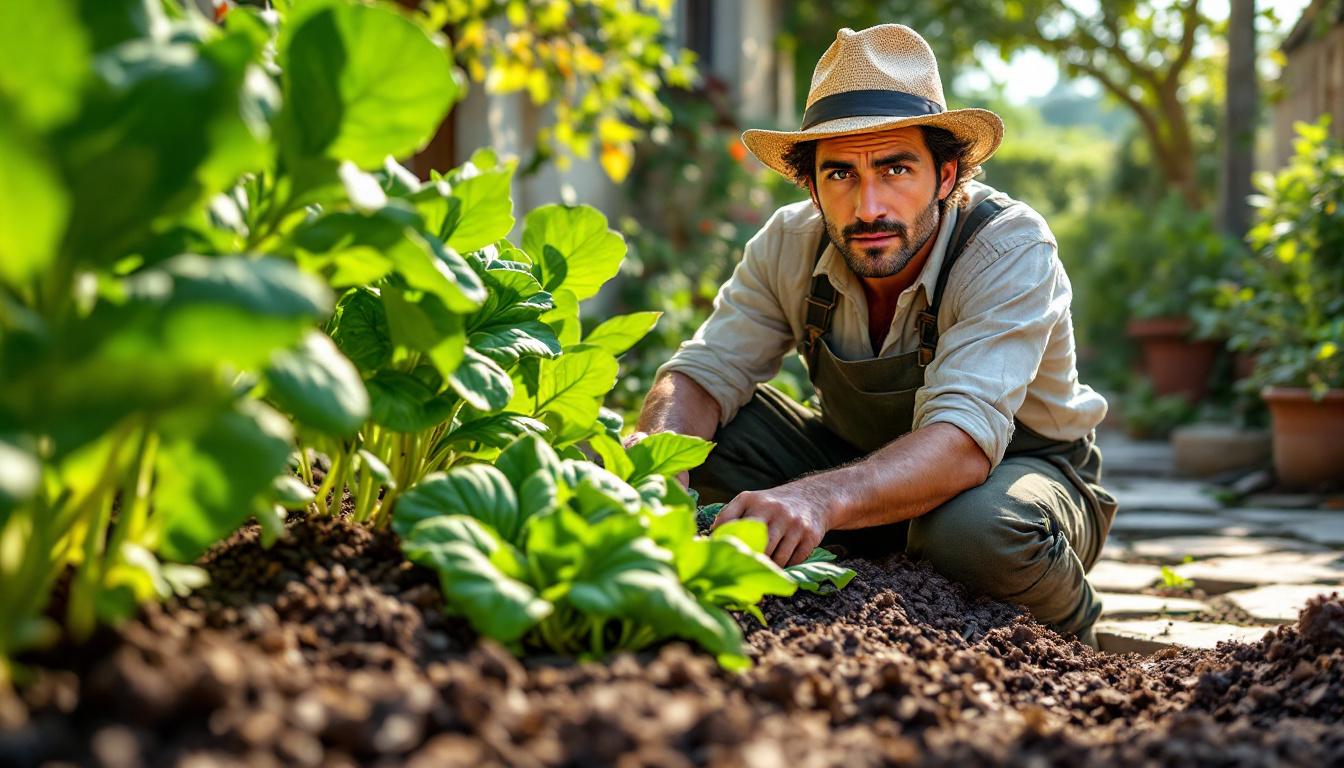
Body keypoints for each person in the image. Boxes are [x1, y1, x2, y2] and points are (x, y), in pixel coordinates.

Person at [627, 24, 1118, 645]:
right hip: (855, 465)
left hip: (1024, 475)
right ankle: (861, 581)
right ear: (810, 184)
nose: (868, 208)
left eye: (895, 169)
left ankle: (1074, 636)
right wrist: (651, 459)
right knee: (703, 437)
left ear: (945, 176)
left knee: (977, 533)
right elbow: (704, 371)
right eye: (840, 175)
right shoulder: (789, 241)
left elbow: (965, 441)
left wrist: (816, 501)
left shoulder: (1007, 247)